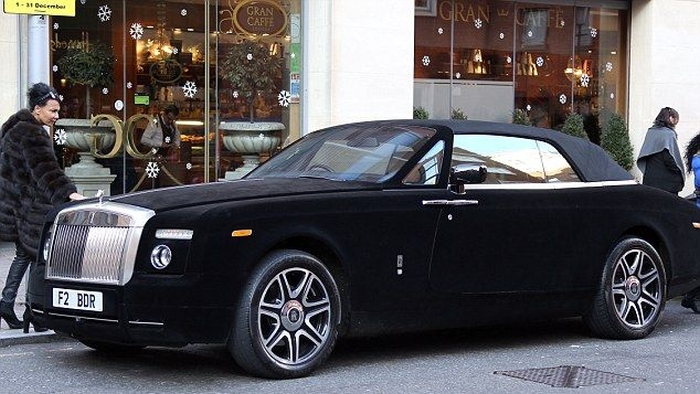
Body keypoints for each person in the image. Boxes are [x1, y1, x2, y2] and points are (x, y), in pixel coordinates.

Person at [0, 82, 85, 331]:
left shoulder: (15, 127)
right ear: (37, 109)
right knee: (38, 256)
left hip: (14, 203)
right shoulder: (33, 133)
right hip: (28, 206)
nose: (57, 116)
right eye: (52, 111)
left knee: (25, 254)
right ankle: (32, 311)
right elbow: (45, 169)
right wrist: (68, 193)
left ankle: (11, 304)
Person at [636, 107, 685, 194]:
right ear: (670, 118)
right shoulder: (668, 134)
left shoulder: (651, 132)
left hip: (650, 180)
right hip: (666, 183)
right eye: (676, 119)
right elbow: (669, 158)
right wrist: (679, 172)